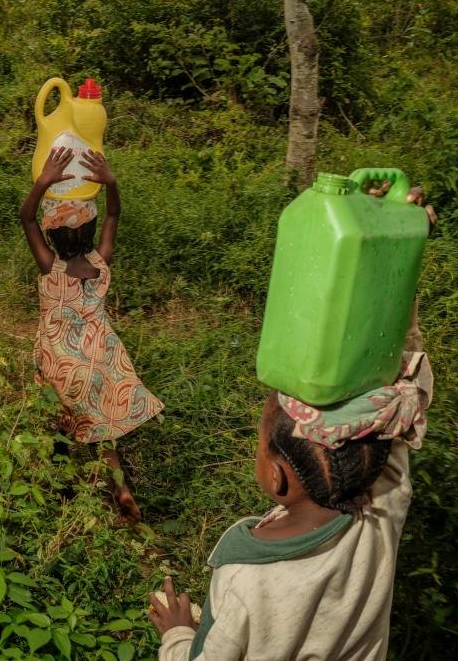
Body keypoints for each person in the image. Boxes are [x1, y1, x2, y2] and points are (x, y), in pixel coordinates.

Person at [149, 187, 435, 659]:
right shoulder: (380, 513)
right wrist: (391, 263)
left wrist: (177, 635)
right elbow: (395, 388)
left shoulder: (244, 578)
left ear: (278, 475)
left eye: (259, 442)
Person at [19, 146, 163, 524]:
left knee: (59, 420)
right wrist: (110, 182)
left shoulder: (51, 267)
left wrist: (44, 180)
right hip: (101, 357)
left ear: (52, 238)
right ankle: (122, 490)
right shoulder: (101, 261)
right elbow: (114, 212)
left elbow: (26, 218)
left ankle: (60, 490)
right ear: (91, 231)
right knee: (101, 431)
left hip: (61, 362)